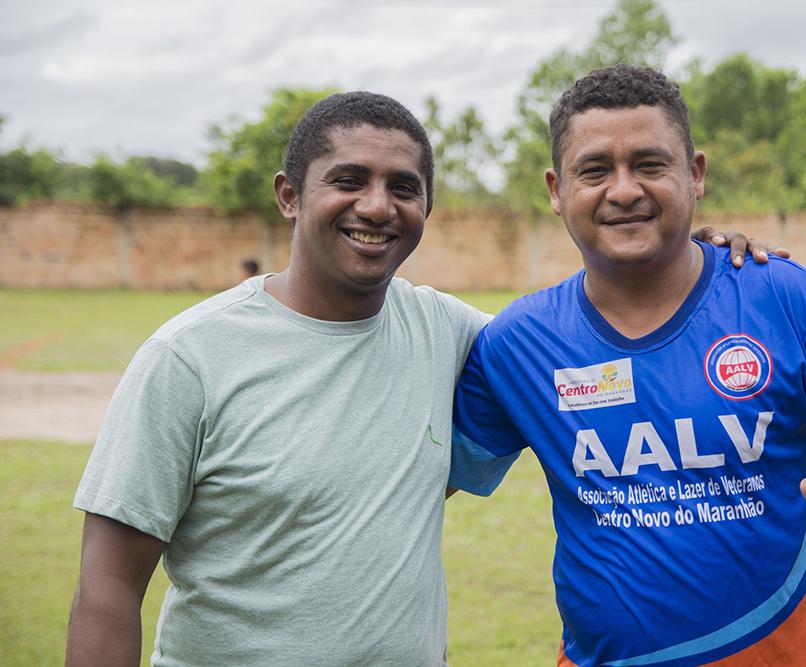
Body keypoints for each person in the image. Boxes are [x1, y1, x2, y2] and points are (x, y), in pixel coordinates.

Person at [66, 91, 770, 666]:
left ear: (426, 208)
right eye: (348, 180)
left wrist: (688, 259)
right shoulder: (189, 356)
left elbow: (587, 338)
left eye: (404, 188)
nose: (377, 206)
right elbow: (108, 584)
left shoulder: (454, 334)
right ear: (289, 194)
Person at [448, 65, 806, 667]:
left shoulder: (785, 299)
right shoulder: (516, 344)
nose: (624, 189)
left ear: (695, 174)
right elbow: (421, 485)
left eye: (650, 164)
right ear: (557, 190)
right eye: (595, 170)